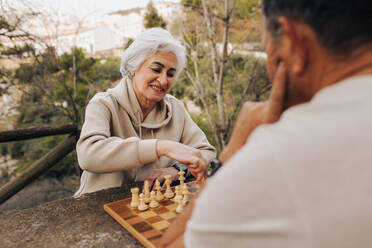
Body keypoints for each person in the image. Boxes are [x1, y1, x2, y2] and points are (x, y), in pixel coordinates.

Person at [160, 0, 372, 247]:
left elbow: (170, 244)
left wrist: (234, 150)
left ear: (293, 43)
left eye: (267, 50)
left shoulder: (277, 156)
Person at [74, 28, 216, 197]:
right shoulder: (103, 103)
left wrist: (176, 170)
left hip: (151, 206)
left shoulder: (175, 108)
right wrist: (160, 147)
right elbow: (88, 155)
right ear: (133, 67)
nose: (163, 80)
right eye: (156, 69)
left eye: (170, 74)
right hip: (98, 206)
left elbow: (206, 153)